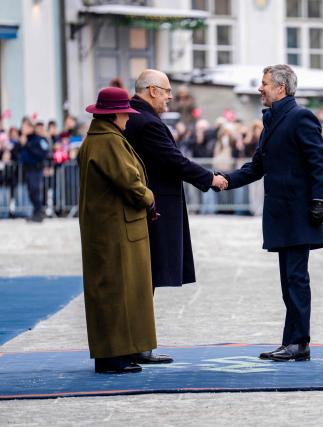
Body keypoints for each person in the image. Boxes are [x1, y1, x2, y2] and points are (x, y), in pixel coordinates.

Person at [221, 65, 323, 361]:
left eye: (264, 83)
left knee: (296, 280)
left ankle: (300, 343)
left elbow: (319, 162)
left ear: (280, 88)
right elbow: (257, 168)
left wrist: (319, 200)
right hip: (282, 215)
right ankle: (291, 341)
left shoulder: (300, 117)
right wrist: (223, 180)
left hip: (299, 213)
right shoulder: (273, 120)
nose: (260, 88)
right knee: (288, 281)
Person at [124, 69, 228, 364]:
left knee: (146, 277)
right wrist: (209, 178)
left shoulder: (136, 117)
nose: (171, 97)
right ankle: (139, 345)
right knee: (148, 277)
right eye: (167, 91)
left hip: (145, 206)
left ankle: (136, 343)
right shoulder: (147, 122)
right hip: (154, 209)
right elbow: (173, 160)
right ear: (152, 90)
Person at [77, 87, 159, 374]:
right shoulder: (108, 141)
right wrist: (149, 197)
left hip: (108, 228)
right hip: (115, 230)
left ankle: (120, 352)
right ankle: (113, 356)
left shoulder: (97, 139)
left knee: (114, 291)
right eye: (125, 112)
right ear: (115, 114)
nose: (128, 118)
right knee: (117, 292)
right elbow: (130, 182)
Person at [15, 119, 49, 222]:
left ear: (30, 128)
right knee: (30, 191)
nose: (22, 129)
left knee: (35, 191)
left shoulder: (38, 139)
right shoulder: (25, 139)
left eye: (25, 127)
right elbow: (17, 153)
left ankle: (39, 213)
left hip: (36, 169)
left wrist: (26, 145)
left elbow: (42, 154)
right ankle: (36, 213)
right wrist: (21, 144)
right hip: (27, 169)